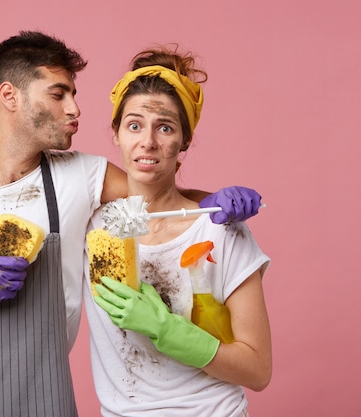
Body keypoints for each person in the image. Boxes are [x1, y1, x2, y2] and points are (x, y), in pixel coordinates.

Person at [0, 30, 261, 417]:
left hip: (45, 400)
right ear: (9, 96)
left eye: (74, 95)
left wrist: (214, 202)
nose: (75, 110)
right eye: (59, 94)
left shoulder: (82, 177)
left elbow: (155, 191)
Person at [86, 47, 272, 416]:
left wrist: (168, 331)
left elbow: (258, 369)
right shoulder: (93, 227)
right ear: (117, 134)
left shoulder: (221, 231)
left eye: (165, 127)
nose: (148, 141)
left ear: (183, 142)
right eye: (134, 125)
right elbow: (24, 178)